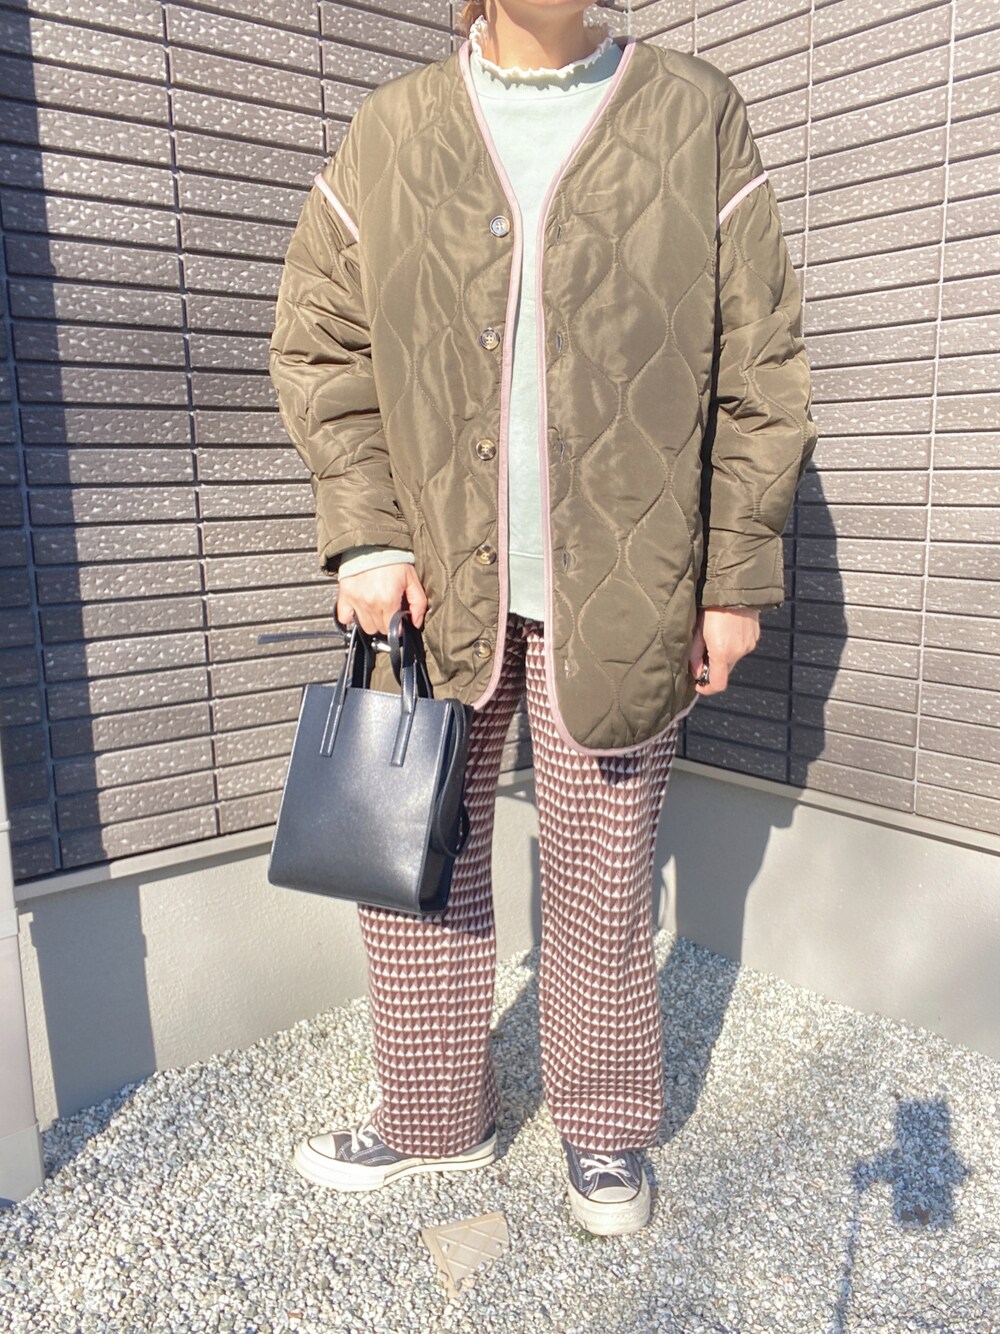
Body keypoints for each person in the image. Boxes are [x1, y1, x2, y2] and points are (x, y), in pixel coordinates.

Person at [268, 0, 816, 1236]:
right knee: (413, 862)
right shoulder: (393, 129)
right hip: (428, 586)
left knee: (605, 876)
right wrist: (367, 532)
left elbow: (760, 367)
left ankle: (605, 1126)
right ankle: (432, 1117)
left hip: (628, 584)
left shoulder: (692, 114)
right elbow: (323, 340)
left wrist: (732, 579)